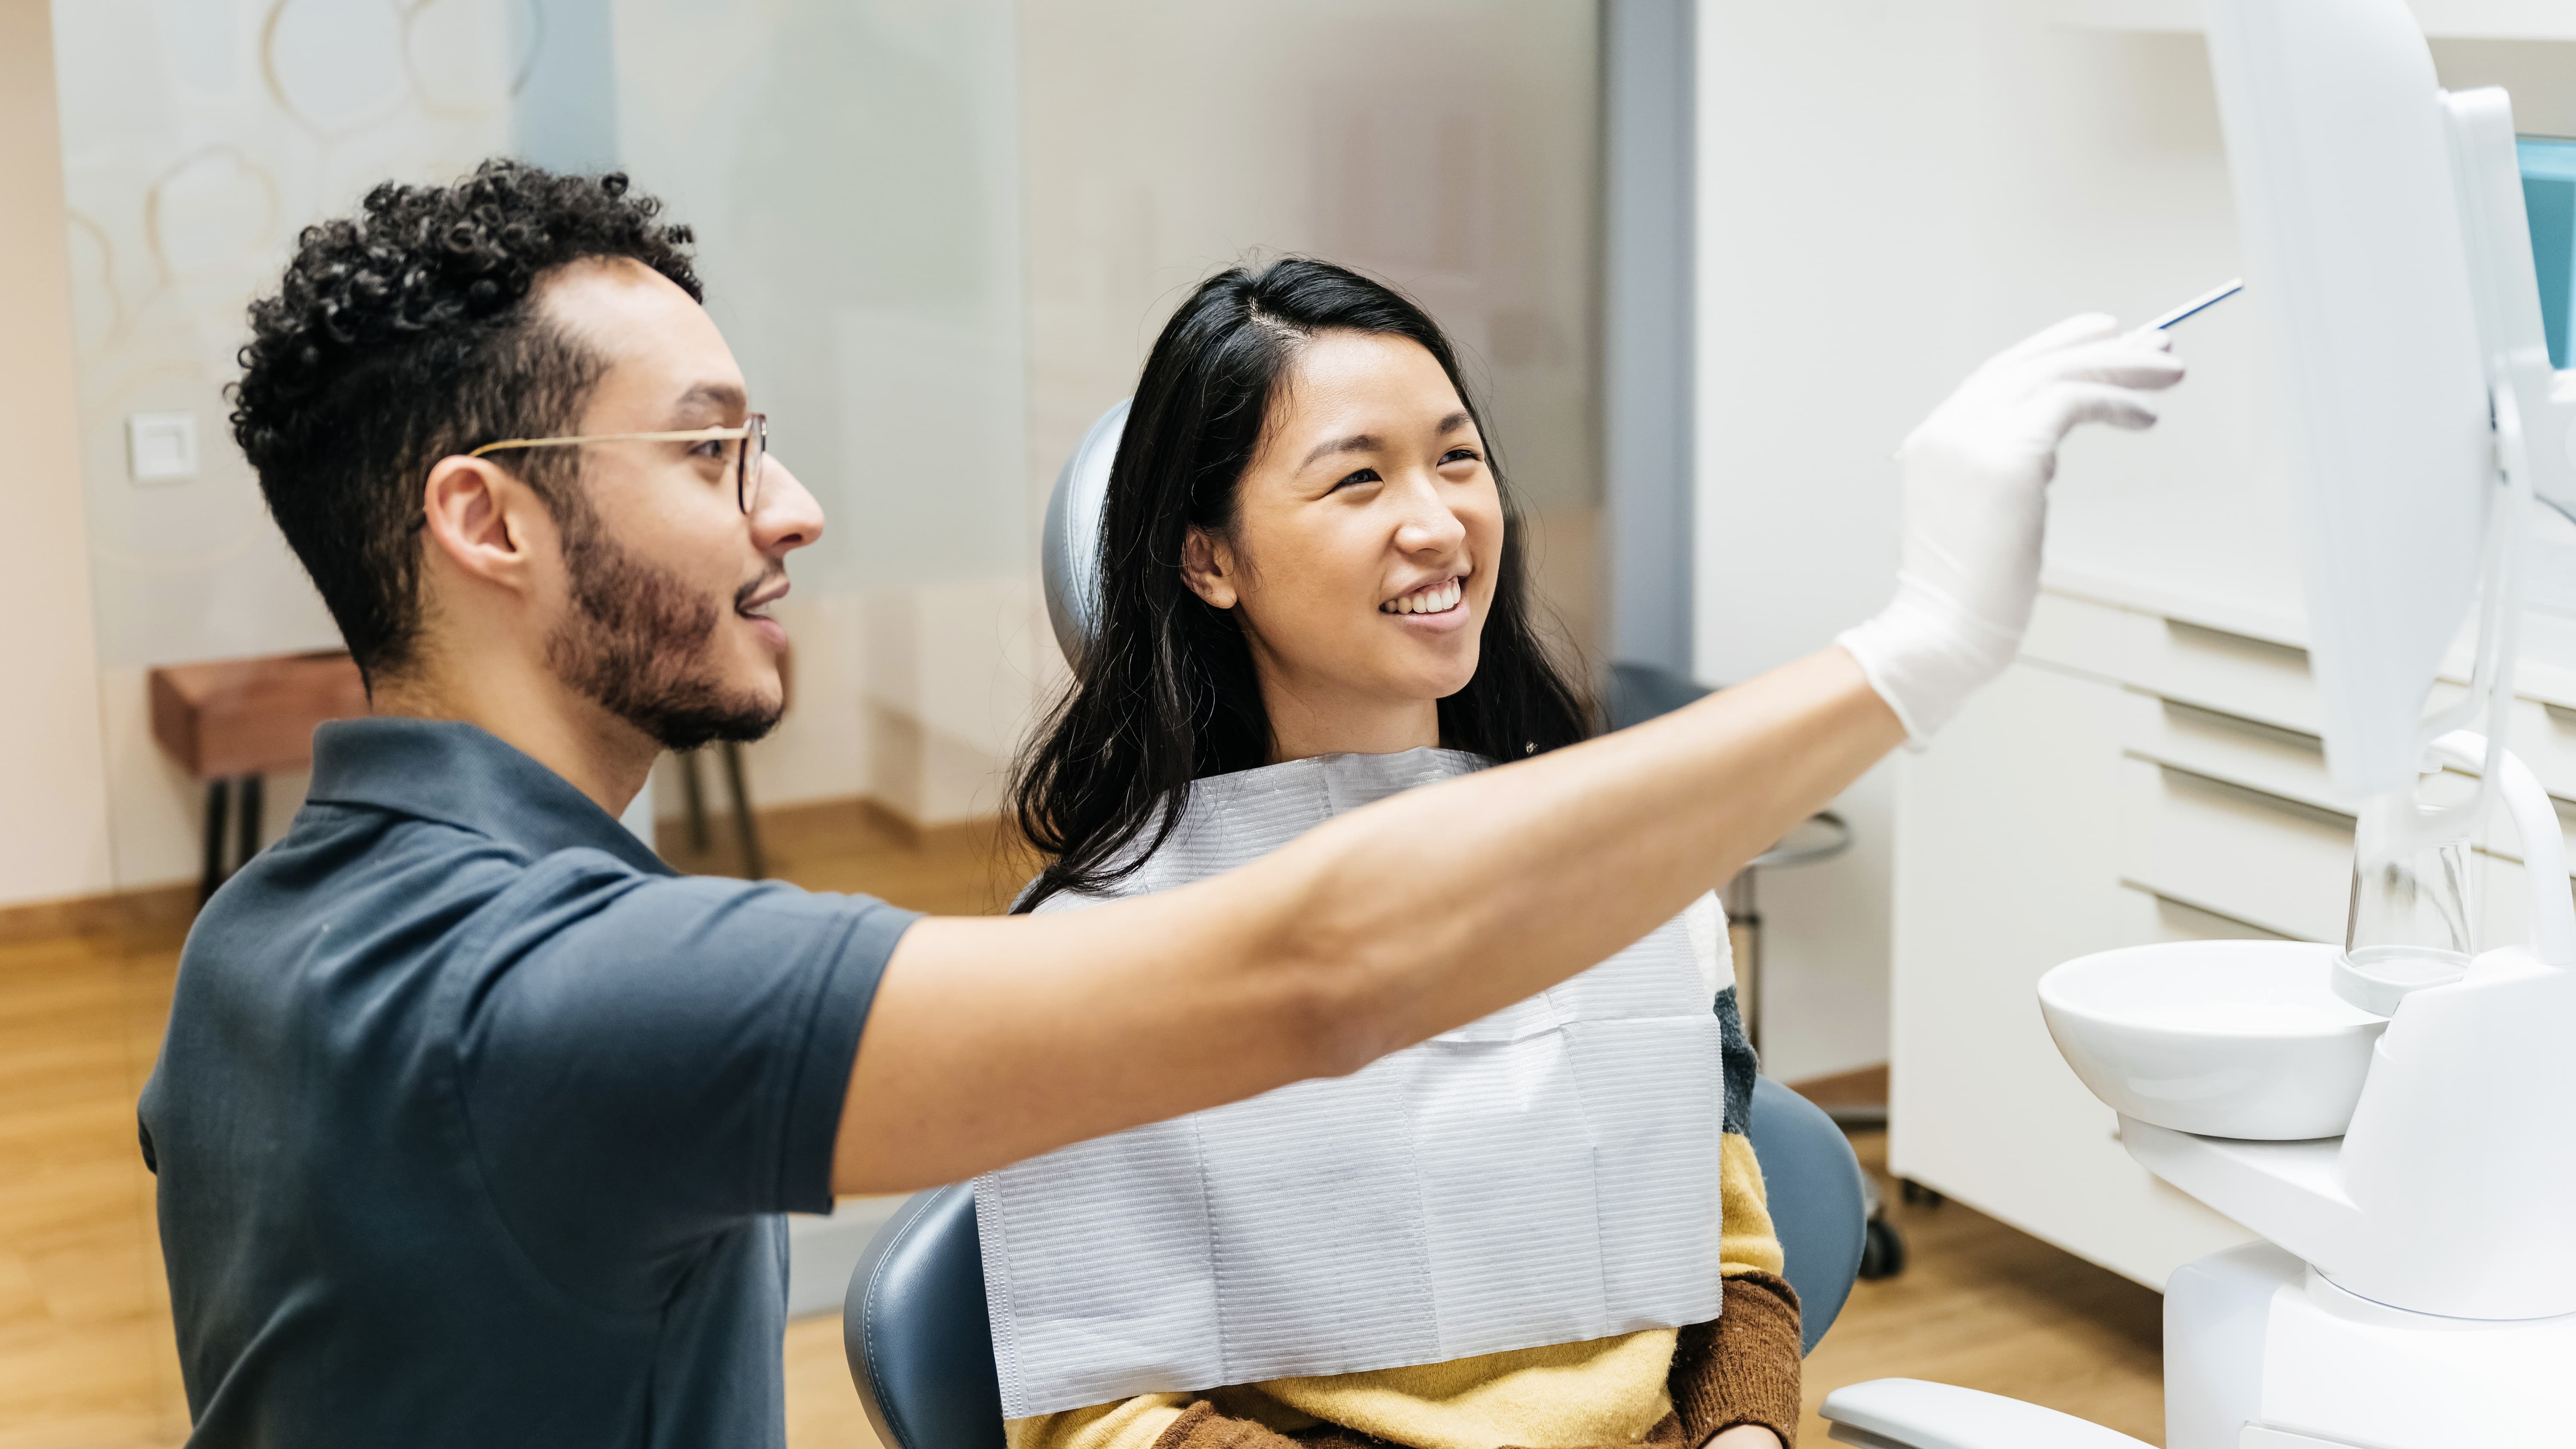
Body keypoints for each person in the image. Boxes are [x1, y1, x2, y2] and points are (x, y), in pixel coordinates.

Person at [139, 160, 2180, 1448]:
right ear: (484, 517)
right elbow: (1321, 966)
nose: (799, 507)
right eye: (711, 452)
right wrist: (1918, 644)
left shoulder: (268, 939)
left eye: (1453, 457)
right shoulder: (575, 993)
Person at [994, 258, 1798, 1449]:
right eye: (1360, 478)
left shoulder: (1627, 881)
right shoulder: (1099, 953)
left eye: (1457, 458)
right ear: (1208, 557)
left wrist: (1744, 1438)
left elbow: (1734, 1274)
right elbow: (1101, 1416)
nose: (1437, 523)